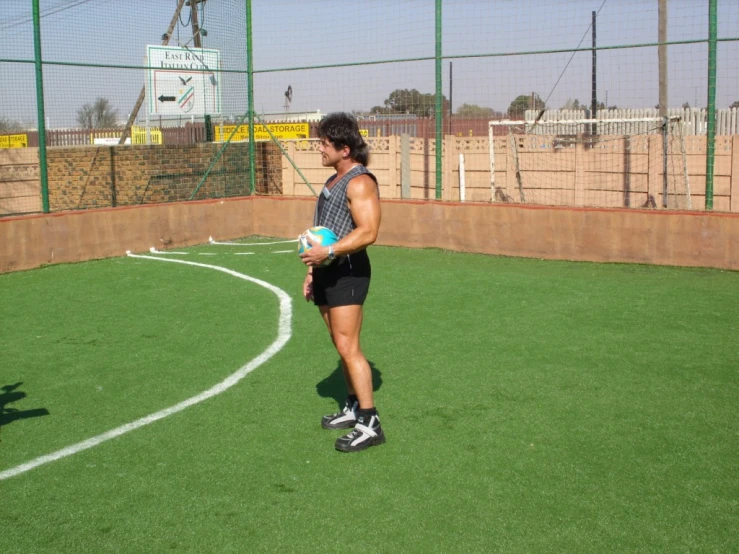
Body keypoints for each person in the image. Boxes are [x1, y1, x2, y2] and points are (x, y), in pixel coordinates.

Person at [300, 112, 384, 453]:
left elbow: (369, 232)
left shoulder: (360, 182)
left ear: (344, 149)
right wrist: (311, 271)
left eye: (324, 144)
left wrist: (329, 252)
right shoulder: (333, 179)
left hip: (348, 271)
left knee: (349, 347)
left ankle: (370, 422)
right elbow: (324, 226)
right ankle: (352, 406)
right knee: (339, 344)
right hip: (326, 269)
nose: (319, 148)